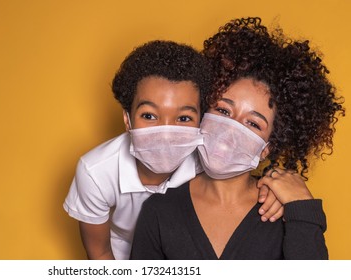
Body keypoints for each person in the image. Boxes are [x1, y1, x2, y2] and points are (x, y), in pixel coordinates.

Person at [130, 17, 345, 260]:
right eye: (222, 111)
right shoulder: (159, 211)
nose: (230, 129)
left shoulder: (285, 211)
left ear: (267, 148)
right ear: (202, 113)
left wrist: (302, 208)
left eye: (253, 123)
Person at [63, 40, 284, 260]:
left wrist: (274, 185)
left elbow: (238, 164)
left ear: (200, 118)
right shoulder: (95, 172)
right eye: (149, 116)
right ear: (127, 120)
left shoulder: (207, 153)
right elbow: (100, 252)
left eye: (184, 118)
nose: (166, 133)